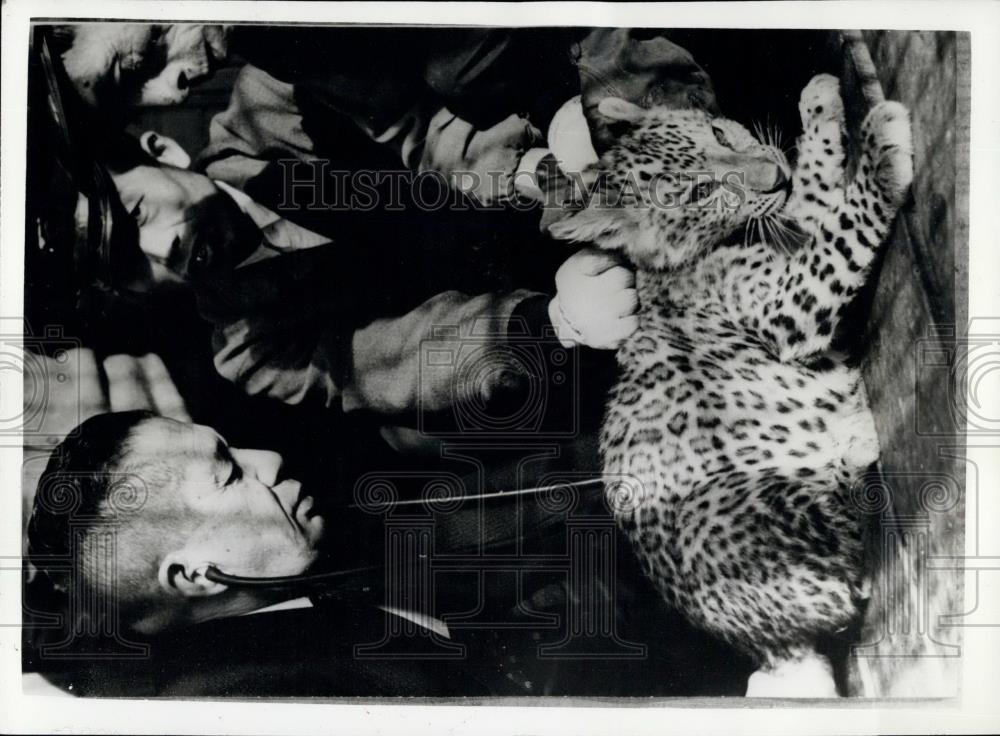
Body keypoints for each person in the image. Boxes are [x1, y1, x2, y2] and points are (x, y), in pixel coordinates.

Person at [24, 411, 755, 697]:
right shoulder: (253, 697)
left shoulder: (303, 569)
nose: (269, 456)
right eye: (229, 471)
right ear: (191, 575)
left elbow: (521, 515)